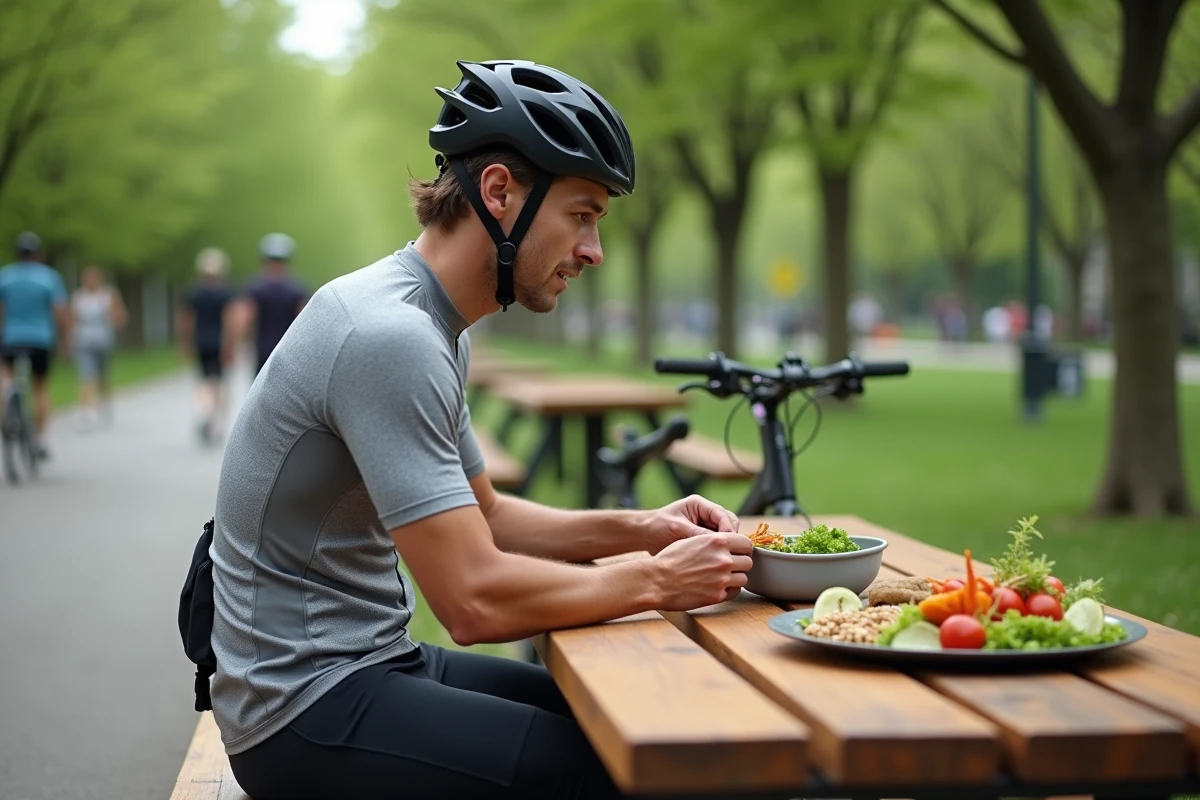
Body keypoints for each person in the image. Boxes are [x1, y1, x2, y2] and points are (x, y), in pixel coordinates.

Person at [208, 60, 750, 800]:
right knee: (638, 771)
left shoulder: (433, 322)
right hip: (304, 711)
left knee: (634, 720)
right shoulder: (388, 336)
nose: (593, 251)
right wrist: (658, 580)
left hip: (369, 664)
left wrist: (644, 528)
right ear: (499, 192)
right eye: (582, 215)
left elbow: (488, 517)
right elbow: (472, 602)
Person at [0, 231, 70, 459]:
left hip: (11, 338)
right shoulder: (49, 277)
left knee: (6, 378)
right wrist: (66, 338)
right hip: (40, 339)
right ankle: (40, 440)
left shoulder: (6, 276)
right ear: (38, 254)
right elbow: (60, 312)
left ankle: (7, 408)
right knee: (40, 387)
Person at [178, 247, 235, 445]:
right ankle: (213, 419)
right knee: (218, 383)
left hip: (201, 341)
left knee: (203, 381)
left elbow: (186, 321)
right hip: (218, 342)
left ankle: (204, 411)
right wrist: (230, 345)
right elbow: (229, 322)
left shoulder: (194, 293)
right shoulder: (224, 293)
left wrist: (185, 343)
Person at [230, 233, 309, 375]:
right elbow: (305, 322)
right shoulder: (297, 289)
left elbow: (244, 320)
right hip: (288, 350)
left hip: (262, 350)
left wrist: (238, 344)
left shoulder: (254, 288)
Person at [70, 264, 127, 429]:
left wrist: (112, 316)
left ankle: (105, 402)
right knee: (86, 375)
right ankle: (86, 411)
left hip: (104, 342)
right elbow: (72, 320)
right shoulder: (78, 297)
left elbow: (121, 317)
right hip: (83, 342)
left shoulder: (108, 295)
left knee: (102, 376)